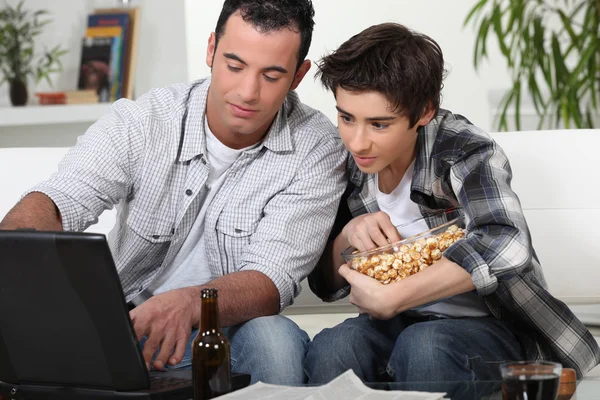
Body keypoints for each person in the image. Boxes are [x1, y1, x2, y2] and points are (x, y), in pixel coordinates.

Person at [0, 0, 346, 385]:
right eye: (234, 66)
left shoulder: (318, 148)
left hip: (229, 333)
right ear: (211, 49)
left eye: (272, 75)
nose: (248, 92)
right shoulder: (144, 121)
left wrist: (190, 303)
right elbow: (61, 197)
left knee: (275, 340)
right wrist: (16, 249)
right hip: (128, 325)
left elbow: (270, 280)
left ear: (298, 76)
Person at [305, 22, 600, 389]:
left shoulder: (462, 149)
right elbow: (324, 282)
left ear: (424, 112)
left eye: (380, 124)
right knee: (332, 348)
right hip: (400, 324)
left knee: (425, 348)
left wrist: (394, 296)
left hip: (494, 326)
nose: (358, 141)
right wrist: (347, 237)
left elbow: (506, 243)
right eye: (346, 117)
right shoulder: (350, 161)